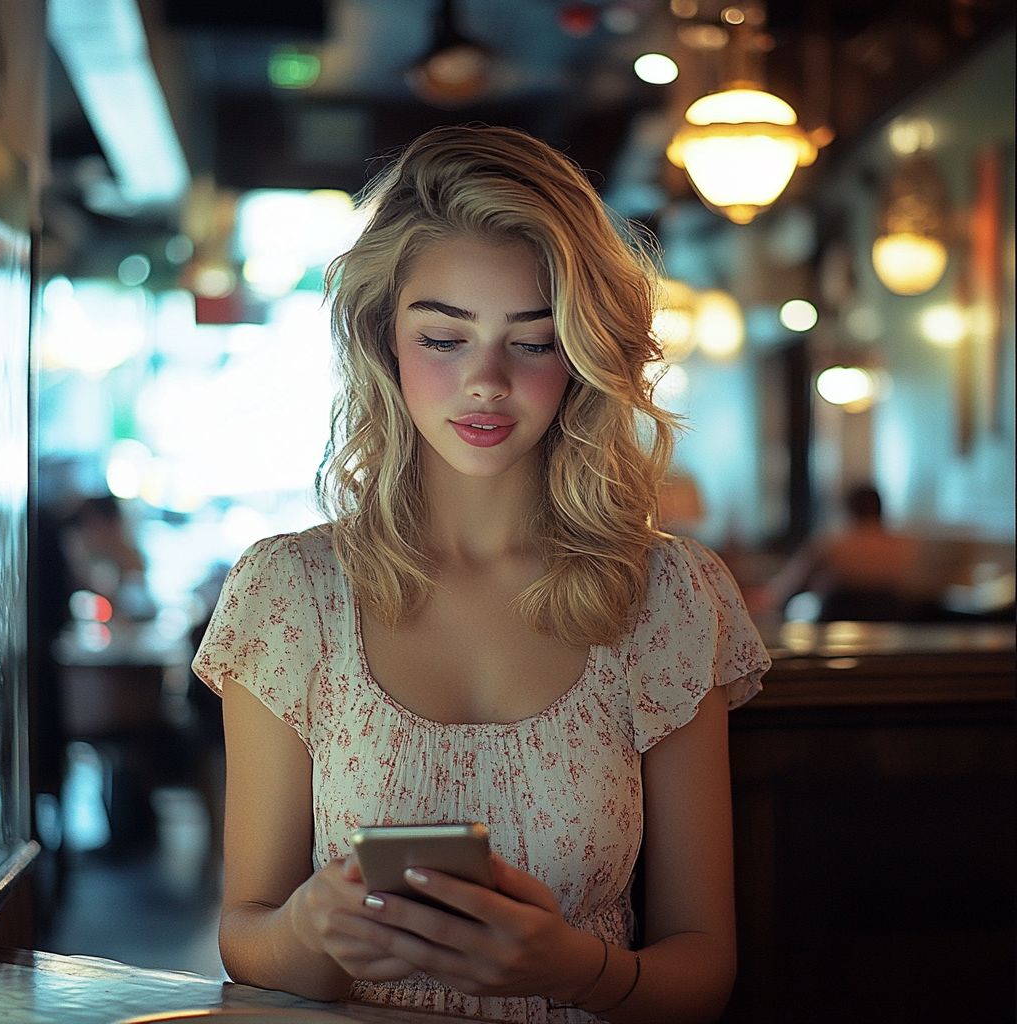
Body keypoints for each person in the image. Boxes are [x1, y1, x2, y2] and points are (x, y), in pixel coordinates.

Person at [193, 125, 770, 1023]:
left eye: (533, 343)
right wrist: (315, 927)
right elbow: (247, 937)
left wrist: (574, 968)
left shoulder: (668, 595)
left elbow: (705, 969)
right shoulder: (291, 592)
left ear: (581, 355)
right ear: (383, 339)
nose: (486, 383)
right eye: (444, 337)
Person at [762, 484, 923, 622]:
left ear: (850, 509)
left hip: (838, 626)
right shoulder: (904, 545)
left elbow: (793, 583)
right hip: (892, 624)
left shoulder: (834, 544)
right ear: (882, 508)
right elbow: (916, 588)